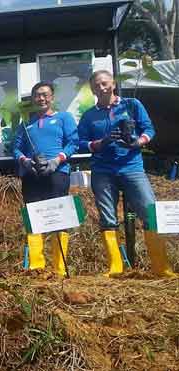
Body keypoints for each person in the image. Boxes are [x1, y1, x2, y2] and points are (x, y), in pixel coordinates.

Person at [78, 70, 176, 278]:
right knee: (107, 217)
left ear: (113, 83)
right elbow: (80, 143)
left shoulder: (131, 105)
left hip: (132, 167)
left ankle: (161, 267)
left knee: (150, 212)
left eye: (104, 83)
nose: (101, 88)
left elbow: (149, 129)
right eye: (96, 85)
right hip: (103, 171)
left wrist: (137, 142)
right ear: (92, 89)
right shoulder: (89, 116)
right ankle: (115, 267)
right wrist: (100, 143)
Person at [13, 81, 78, 277]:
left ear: (52, 98)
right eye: (37, 95)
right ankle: (36, 266)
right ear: (32, 99)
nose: (41, 98)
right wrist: (24, 161)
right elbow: (15, 148)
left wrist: (58, 160)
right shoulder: (26, 123)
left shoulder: (64, 118)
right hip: (32, 174)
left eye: (45, 95)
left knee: (59, 217)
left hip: (57, 173)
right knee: (34, 217)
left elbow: (73, 142)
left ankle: (60, 268)